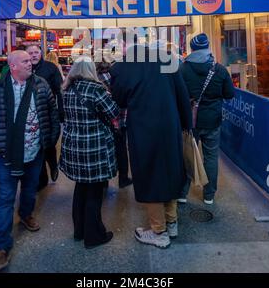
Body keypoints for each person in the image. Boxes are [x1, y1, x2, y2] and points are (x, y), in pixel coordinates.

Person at [0, 50, 60, 273]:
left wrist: (49, 140)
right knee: (5, 197)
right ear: (13, 66)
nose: (30, 63)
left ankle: (25, 215)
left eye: (30, 60)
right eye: (24, 61)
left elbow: (52, 113)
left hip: (35, 152)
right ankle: (2, 247)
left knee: (29, 190)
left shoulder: (41, 85)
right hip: (6, 154)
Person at [110, 39, 192, 248]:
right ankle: (171, 222)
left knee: (150, 175)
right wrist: (186, 126)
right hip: (170, 126)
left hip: (143, 129)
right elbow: (183, 95)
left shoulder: (122, 67)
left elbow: (119, 99)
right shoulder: (167, 59)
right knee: (172, 170)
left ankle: (159, 232)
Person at [59, 56, 119, 248]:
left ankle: (79, 231)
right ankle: (93, 236)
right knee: (94, 191)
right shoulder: (97, 89)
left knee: (81, 189)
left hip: (74, 146)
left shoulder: (66, 89)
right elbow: (113, 112)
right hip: (94, 146)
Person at [179, 33, 235, 205]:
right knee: (210, 157)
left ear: (192, 48)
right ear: (208, 47)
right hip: (212, 121)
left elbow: (177, 95)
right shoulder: (220, 69)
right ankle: (209, 195)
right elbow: (229, 95)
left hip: (189, 121)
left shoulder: (182, 69)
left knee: (187, 155)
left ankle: (182, 193)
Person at [26, 45, 64, 189]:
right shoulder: (24, 68)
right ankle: (41, 179)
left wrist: (61, 111)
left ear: (41, 54)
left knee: (48, 143)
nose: (34, 55)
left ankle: (53, 165)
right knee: (37, 145)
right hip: (29, 115)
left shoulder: (50, 68)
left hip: (48, 112)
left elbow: (60, 91)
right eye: (31, 52)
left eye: (36, 52)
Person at [95, 55, 132, 189]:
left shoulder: (95, 79)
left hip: (104, 121)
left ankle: (104, 181)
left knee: (105, 149)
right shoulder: (115, 76)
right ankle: (123, 178)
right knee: (121, 148)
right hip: (120, 118)